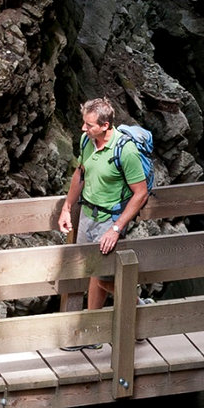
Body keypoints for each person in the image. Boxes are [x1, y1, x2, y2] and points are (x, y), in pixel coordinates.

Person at [57, 97, 149, 314]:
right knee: (93, 272)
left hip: (109, 220)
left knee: (105, 278)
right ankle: (93, 328)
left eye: (89, 125)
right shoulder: (86, 141)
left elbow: (141, 193)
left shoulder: (125, 151)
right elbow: (80, 174)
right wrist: (66, 208)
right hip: (87, 215)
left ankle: (139, 312)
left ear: (105, 125)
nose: (83, 128)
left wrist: (116, 229)